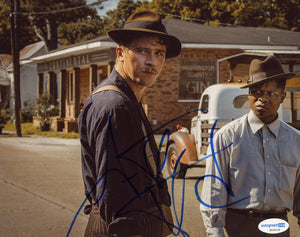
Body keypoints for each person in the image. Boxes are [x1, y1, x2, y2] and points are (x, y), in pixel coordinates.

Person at [78, 11, 181, 237]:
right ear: (120, 53)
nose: (151, 61)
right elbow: (114, 189)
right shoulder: (115, 106)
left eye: (159, 53)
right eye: (143, 51)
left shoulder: (128, 99)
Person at [200, 55, 300, 237]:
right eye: (257, 92)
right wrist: (215, 232)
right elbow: (214, 190)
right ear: (249, 95)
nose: (263, 98)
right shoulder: (226, 137)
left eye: (271, 93)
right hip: (239, 225)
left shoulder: (296, 141)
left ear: (283, 96)